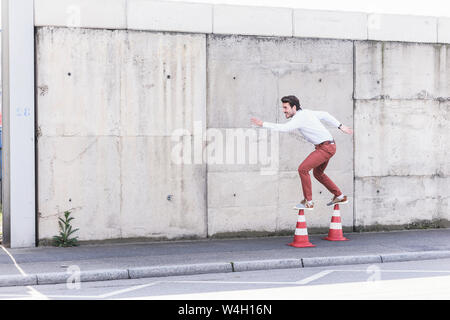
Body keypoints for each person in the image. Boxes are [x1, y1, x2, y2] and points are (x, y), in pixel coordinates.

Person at [251, 95, 353, 210]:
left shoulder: (300, 117)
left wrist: (263, 124)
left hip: (325, 148)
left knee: (303, 169)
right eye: (283, 108)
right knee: (318, 174)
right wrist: (340, 126)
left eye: (285, 108)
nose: (284, 111)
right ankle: (339, 196)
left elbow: (285, 128)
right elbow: (325, 114)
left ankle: (308, 202)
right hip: (328, 146)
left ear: (294, 107)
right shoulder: (306, 113)